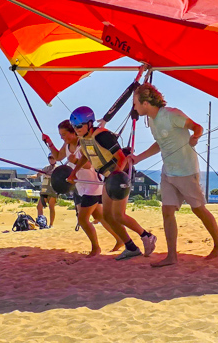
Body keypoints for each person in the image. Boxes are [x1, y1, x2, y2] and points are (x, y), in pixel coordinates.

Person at [129, 84, 218, 267]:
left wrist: (195, 137)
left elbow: (196, 127)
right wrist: (138, 158)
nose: (134, 108)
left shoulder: (172, 114)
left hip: (186, 171)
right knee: (167, 211)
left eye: (135, 104)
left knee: (198, 209)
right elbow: (160, 144)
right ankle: (171, 256)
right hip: (168, 172)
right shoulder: (151, 120)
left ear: (146, 103)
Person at [66, 106, 157, 261]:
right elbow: (87, 156)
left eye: (79, 126)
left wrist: (116, 178)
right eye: (74, 127)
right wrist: (74, 172)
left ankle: (147, 236)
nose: (76, 130)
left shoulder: (103, 136)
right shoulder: (84, 139)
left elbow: (121, 158)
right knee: (108, 216)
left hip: (121, 175)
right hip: (110, 177)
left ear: (89, 124)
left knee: (119, 215)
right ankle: (131, 247)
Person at [43, 120, 123, 256]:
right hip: (81, 185)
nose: (62, 137)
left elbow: (90, 164)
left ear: (73, 132)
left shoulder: (84, 143)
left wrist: (75, 162)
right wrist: (49, 142)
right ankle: (120, 239)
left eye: (64, 134)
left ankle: (96, 248)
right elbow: (57, 157)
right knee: (100, 216)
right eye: (60, 135)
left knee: (83, 219)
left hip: (92, 184)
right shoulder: (67, 145)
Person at [34, 154, 57, 227]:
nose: (51, 159)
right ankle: (41, 222)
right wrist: (31, 176)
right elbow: (38, 174)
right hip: (44, 190)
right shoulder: (46, 168)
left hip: (52, 190)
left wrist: (50, 175)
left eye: (53, 158)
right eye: (50, 158)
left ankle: (51, 224)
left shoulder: (58, 168)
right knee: (39, 206)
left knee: (51, 207)